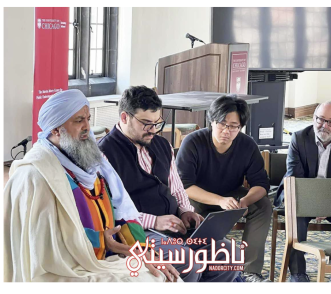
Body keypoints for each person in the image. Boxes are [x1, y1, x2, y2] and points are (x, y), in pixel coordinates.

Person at [4, 89, 180, 282]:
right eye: (79, 121)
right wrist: (99, 241)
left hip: (104, 254)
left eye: (88, 118)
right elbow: (43, 246)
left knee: (164, 276)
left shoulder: (92, 163)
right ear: (56, 129)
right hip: (65, 268)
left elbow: (122, 211)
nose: (87, 127)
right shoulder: (34, 175)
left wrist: (139, 250)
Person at [98, 86, 243, 282]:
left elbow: (176, 188)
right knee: (186, 261)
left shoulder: (162, 145)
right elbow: (112, 213)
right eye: (146, 123)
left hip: (176, 226)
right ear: (124, 117)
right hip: (140, 232)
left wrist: (185, 211)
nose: (153, 130)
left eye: (157, 123)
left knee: (229, 255)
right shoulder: (104, 155)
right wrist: (155, 221)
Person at [176, 95, 272, 282]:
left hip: (233, 195)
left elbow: (261, 184)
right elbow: (184, 186)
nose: (227, 130)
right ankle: (197, 265)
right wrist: (219, 201)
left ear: (240, 127)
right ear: (212, 121)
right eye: (222, 123)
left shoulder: (247, 144)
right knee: (188, 209)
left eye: (234, 126)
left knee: (263, 206)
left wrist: (244, 202)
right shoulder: (193, 142)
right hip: (199, 196)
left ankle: (250, 270)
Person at [275, 101, 331, 282]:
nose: (324, 125)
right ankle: (298, 273)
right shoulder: (299, 138)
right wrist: (314, 204)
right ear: (313, 118)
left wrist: (327, 204)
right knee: (295, 213)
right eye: (320, 119)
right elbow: (295, 179)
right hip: (299, 194)